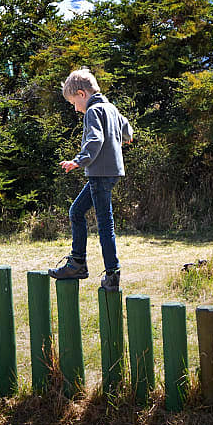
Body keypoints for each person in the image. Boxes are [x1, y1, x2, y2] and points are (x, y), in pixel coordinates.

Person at [49, 68, 133, 291]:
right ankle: (78, 263)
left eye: (73, 102)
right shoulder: (111, 108)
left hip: (99, 174)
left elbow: (95, 139)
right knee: (76, 212)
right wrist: (126, 138)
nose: (75, 108)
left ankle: (112, 274)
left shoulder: (93, 112)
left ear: (81, 94)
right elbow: (127, 129)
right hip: (111, 173)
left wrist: (78, 160)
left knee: (105, 224)